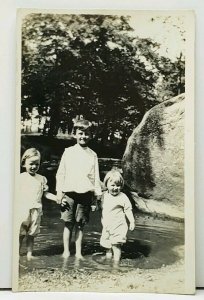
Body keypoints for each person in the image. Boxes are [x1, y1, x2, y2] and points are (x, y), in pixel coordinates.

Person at [56, 119, 102, 259]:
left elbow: (95, 177)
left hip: (85, 195)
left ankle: (79, 253)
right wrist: (59, 193)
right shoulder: (68, 152)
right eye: (80, 133)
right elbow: (61, 173)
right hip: (69, 193)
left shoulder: (93, 155)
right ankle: (66, 251)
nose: (83, 136)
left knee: (80, 225)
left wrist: (96, 198)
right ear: (75, 134)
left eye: (87, 134)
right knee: (68, 224)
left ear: (91, 136)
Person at [19, 148, 57, 260]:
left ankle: (29, 254)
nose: (34, 167)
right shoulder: (20, 178)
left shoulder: (42, 179)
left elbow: (46, 194)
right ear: (24, 163)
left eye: (37, 164)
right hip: (22, 210)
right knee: (20, 234)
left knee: (32, 234)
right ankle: (17, 254)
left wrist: (56, 198)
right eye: (31, 164)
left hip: (36, 210)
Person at [100, 169, 135, 262]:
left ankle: (116, 262)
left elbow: (128, 209)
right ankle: (108, 258)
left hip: (118, 226)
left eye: (118, 186)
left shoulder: (122, 197)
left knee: (116, 245)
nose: (115, 188)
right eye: (113, 185)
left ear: (121, 186)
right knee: (107, 245)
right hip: (106, 226)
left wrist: (132, 221)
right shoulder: (104, 196)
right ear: (106, 185)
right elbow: (101, 205)